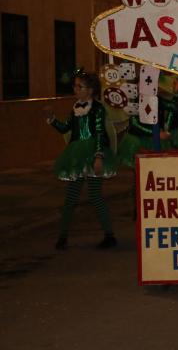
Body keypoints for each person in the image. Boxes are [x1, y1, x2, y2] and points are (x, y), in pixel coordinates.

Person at [44, 69, 118, 250]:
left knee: (95, 195)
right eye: (75, 86)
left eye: (80, 86)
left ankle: (109, 235)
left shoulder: (97, 108)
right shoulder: (76, 107)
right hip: (77, 155)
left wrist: (99, 156)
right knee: (70, 198)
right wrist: (52, 119)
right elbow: (66, 128)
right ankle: (62, 237)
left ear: (90, 90)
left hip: (93, 153)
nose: (75, 89)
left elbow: (100, 132)